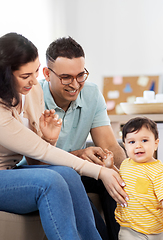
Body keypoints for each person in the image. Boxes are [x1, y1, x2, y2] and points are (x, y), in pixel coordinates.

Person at [0, 32, 129, 240]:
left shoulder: (33, 91)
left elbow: (35, 159)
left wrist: (48, 137)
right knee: (51, 182)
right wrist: (100, 172)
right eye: (25, 76)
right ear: (4, 74)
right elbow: (41, 151)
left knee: (67, 174)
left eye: (35, 72)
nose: (34, 80)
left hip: (5, 173)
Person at [36, 36, 127, 240]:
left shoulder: (92, 93)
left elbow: (110, 144)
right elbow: (37, 158)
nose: (75, 84)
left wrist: (132, 173)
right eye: (66, 77)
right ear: (46, 74)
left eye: (80, 75)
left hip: (78, 170)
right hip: (45, 172)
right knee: (69, 184)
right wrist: (79, 154)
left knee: (114, 177)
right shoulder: (33, 97)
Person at [115, 117, 163, 240]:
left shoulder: (160, 171)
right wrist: (108, 166)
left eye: (144, 140)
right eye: (132, 142)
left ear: (155, 144)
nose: (138, 146)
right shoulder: (125, 165)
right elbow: (118, 180)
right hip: (129, 228)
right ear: (125, 145)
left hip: (157, 231)